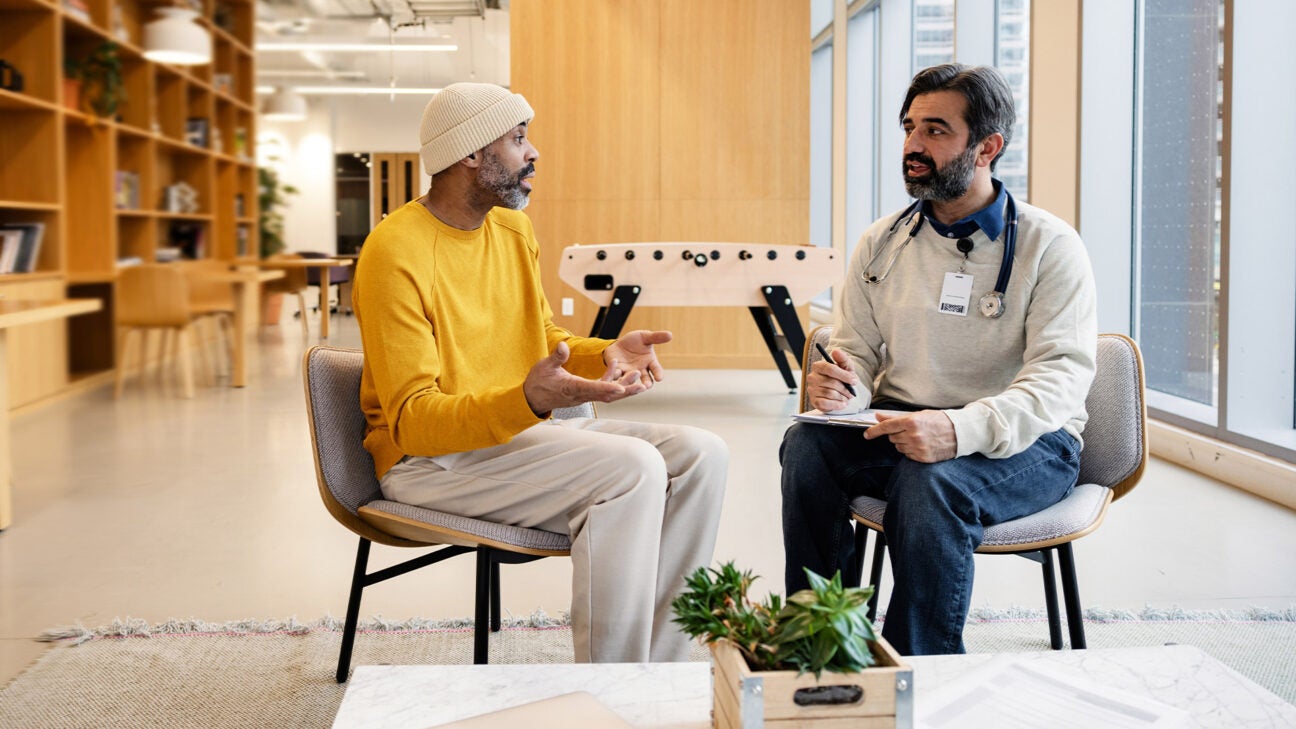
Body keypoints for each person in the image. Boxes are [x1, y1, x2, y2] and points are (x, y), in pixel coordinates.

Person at [351, 82, 728, 663]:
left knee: (704, 454)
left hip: (514, 439)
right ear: (471, 153)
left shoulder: (512, 229)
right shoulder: (393, 252)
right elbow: (414, 423)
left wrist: (603, 352)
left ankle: (665, 670)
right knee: (631, 469)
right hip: (427, 462)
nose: (534, 153)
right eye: (518, 137)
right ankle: (613, 684)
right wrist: (524, 400)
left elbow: (541, 335)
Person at [780, 64, 1097, 656]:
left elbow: (1060, 378)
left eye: (935, 130)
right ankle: (824, 642)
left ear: (988, 147)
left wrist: (957, 428)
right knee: (806, 447)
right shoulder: (882, 241)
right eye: (908, 128)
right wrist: (845, 391)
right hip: (902, 425)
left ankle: (920, 669)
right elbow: (858, 350)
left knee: (932, 480)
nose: (912, 147)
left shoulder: (1050, 245)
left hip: (1028, 443)